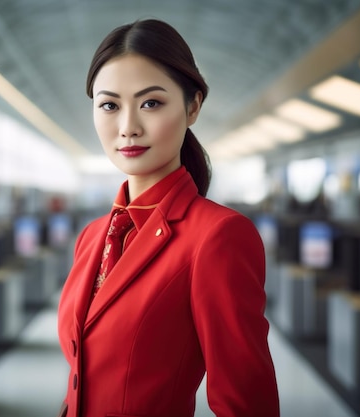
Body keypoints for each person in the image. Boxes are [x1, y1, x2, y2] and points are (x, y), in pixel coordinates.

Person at [57, 18, 279, 417]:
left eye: (151, 103)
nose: (128, 128)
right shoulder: (92, 237)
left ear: (192, 106)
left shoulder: (218, 236)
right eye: (109, 105)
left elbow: (247, 403)